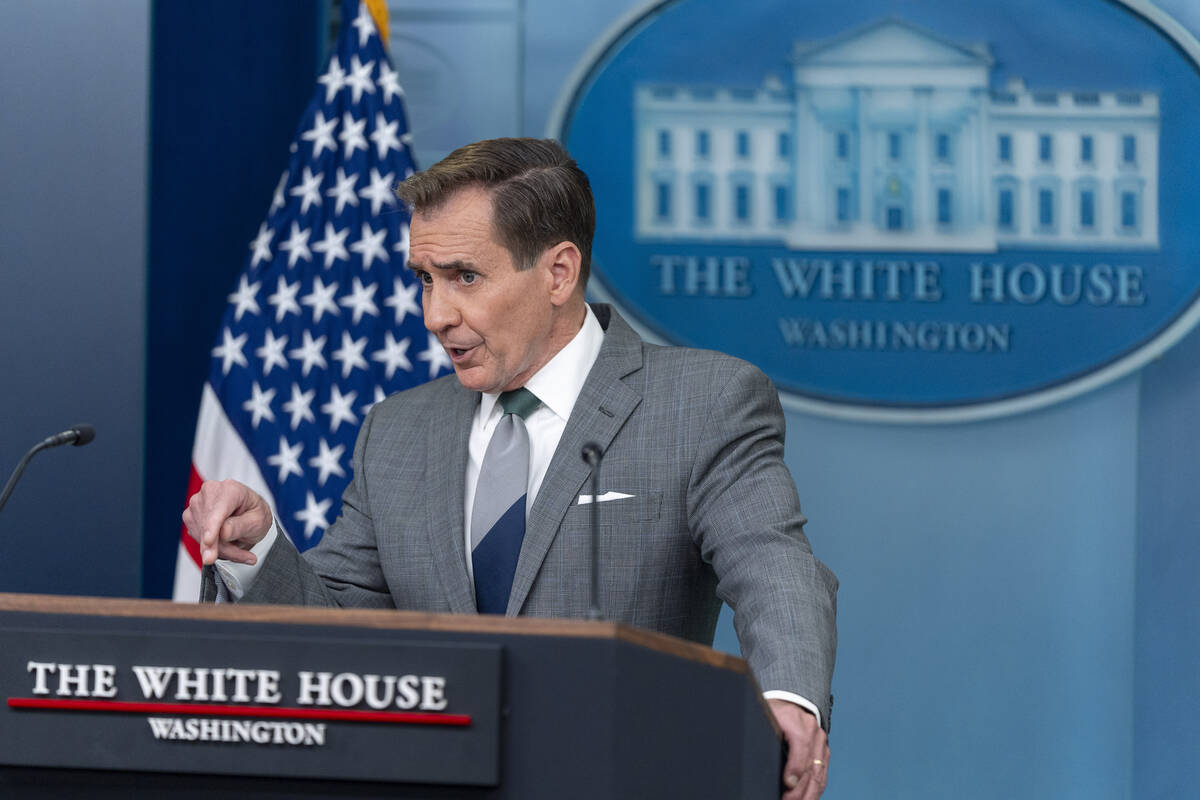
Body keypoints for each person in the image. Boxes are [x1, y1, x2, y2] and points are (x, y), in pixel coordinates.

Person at [184, 137, 837, 799]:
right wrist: (259, 546)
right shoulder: (396, 431)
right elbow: (345, 626)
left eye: (465, 276)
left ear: (558, 273)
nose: (436, 315)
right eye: (424, 279)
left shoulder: (701, 404)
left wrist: (788, 701)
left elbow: (771, 565)